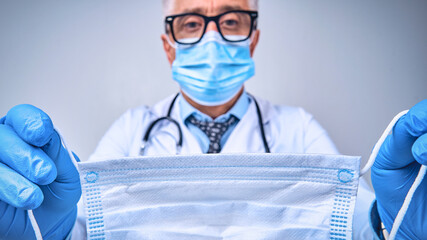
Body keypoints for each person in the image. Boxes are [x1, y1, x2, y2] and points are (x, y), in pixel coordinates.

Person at [0, 0, 425, 239]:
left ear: (252, 40)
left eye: (231, 20)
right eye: (191, 23)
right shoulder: (132, 129)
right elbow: (83, 228)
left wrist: (389, 216)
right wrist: (47, 232)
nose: (213, 36)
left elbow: (356, 225)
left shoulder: (298, 127)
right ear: (170, 47)